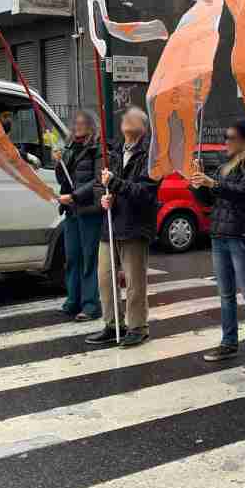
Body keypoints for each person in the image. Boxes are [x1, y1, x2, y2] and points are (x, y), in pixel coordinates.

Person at [191, 118, 245, 374]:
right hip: (220, 234)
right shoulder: (224, 167)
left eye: (230, 137)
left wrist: (213, 183)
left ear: (244, 140)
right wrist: (198, 184)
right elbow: (208, 199)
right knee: (225, 295)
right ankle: (229, 342)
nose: (225, 141)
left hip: (242, 236)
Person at [86, 107, 159, 348]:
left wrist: (115, 184)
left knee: (134, 280)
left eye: (133, 116)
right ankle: (112, 324)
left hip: (134, 225)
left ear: (144, 126)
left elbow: (145, 191)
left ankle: (138, 326)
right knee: (105, 278)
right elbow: (100, 183)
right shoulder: (114, 152)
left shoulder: (150, 155)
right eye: (125, 117)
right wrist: (102, 198)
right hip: (110, 225)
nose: (126, 118)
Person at [54, 110, 102, 321]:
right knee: (72, 256)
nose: (78, 126)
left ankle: (91, 305)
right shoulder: (70, 148)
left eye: (83, 123)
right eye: (76, 123)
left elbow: (99, 180)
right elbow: (62, 178)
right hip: (72, 212)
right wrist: (58, 161)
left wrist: (75, 196)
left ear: (92, 126)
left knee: (89, 257)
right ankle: (73, 300)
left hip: (89, 210)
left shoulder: (97, 148)